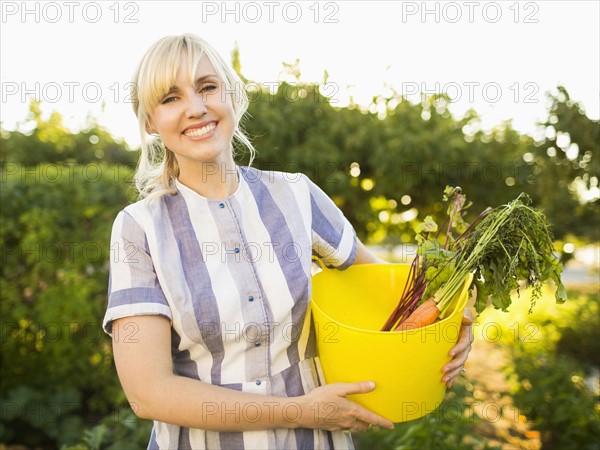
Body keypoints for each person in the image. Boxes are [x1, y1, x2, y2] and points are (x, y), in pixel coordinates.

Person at [102, 33, 474, 450]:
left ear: (231, 95)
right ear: (150, 122)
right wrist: (302, 411)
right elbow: (148, 392)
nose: (196, 107)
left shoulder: (296, 195)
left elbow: (388, 298)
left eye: (207, 87)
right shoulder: (139, 228)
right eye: (170, 98)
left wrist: (451, 329)